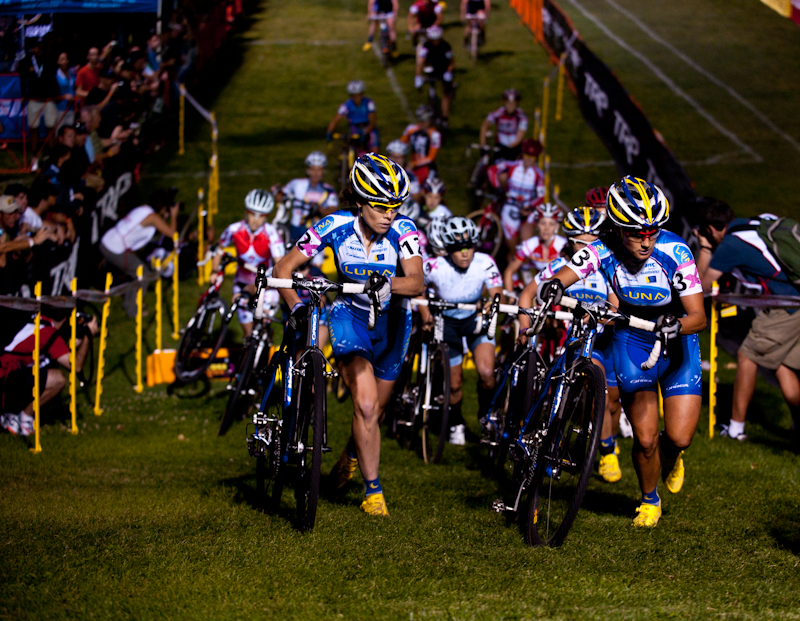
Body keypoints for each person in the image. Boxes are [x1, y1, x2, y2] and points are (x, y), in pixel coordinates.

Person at [532, 176, 706, 527]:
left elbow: (698, 316)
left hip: (677, 342)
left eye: (653, 232)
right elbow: (565, 274)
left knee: (679, 437)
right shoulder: (602, 249)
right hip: (632, 341)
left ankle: (672, 454)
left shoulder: (675, 251)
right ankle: (649, 500)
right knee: (644, 440)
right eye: (635, 233)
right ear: (617, 228)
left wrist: (676, 325)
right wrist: (553, 286)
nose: (645, 241)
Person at [272, 153, 424, 517]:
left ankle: (352, 455)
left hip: (394, 323)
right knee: (367, 403)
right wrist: (296, 307)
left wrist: (388, 283)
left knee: (377, 409)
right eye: (381, 206)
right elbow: (283, 267)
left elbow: (417, 281)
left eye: (395, 206)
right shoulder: (334, 225)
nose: (390, 213)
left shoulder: (406, 232)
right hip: (349, 317)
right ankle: (374, 492)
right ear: (358, 201)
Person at [517, 206, 624, 482]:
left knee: (608, 401)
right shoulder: (557, 267)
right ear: (570, 241)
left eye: (592, 243)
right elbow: (528, 294)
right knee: (558, 397)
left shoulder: (608, 267)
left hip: (600, 338)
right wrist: (525, 327)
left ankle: (608, 448)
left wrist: (601, 319)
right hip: (568, 340)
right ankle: (554, 446)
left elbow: (616, 306)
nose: (585, 248)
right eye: (580, 242)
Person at [695, 201, 800, 444]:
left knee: (747, 357)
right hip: (794, 302)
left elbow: (701, 287)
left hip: (786, 307)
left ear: (711, 228)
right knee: (782, 364)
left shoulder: (730, 245)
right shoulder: (757, 222)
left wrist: (704, 247)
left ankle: (735, 429)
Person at [420, 216, 503, 445]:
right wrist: (426, 315)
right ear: (448, 249)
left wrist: (492, 300)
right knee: (454, 383)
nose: (465, 253)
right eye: (458, 249)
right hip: (447, 323)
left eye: (469, 247)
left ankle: (486, 415)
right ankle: (456, 422)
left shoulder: (485, 262)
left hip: (474, 319)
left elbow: (497, 291)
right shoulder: (434, 266)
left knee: (487, 373)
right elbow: (417, 288)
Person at [0, 304, 97, 436]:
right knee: (58, 379)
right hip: (5, 377)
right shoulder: (48, 333)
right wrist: (87, 335)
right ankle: (24, 419)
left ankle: (10, 412)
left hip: (8, 374)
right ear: (65, 319)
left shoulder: (34, 322)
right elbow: (76, 366)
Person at [211, 190, 285, 339]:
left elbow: (280, 266)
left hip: (265, 288)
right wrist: (214, 271)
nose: (255, 220)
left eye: (261, 216)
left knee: (262, 331)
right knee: (248, 334)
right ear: (246, 212)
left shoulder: (272, 234)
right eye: (252, 214)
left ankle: (265, 344)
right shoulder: (234, 229)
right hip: (242, 285)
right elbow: (219, 249)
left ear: (267, 216)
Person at [99, 188, 179, 317]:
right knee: (142, 274)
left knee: (137, 273)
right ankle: (132, 309)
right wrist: (174, 215)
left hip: (109, 240)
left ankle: (132, 302)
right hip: (115, 248)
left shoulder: (145, 209)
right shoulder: (152, 217)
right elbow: (172, 234)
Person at [490, 138, 546, 251]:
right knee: (513, 247)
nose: (529, 159)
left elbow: (541, 196)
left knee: (526, 243)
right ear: (522, 154)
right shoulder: (511, 165)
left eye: (532, 156)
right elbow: (492, 170)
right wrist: (497, 187)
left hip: (526, 209)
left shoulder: (538, 174)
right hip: (510, 206)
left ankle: (525, 266)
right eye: (527, 155)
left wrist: (529, 206)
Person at [275, 151, 339, 244]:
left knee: (316, 257)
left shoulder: (329, 190)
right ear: (308, 170)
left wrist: (320, 210)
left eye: (319, 169)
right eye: (313, 169)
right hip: (295, 229)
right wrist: (279, 194)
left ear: (323, 170)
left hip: (317, 232)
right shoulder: (296, 183)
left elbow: (334, 211)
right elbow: (280, 196)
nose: (316, 173)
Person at [503, 202, 566, 292]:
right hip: (539, 288)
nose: (546, 228)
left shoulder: (563, 246)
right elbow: (509, 272)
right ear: (537, 225)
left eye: (551, 224)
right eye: (543, 223)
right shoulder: (529, 245)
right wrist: (510, 295)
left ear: (557, 227)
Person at [414, 25, 454, 128]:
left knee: (445, 92)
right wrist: (418, 76)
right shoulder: (426, 46)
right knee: (431, 91)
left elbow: (451, 62)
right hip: (431, 70)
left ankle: (445, 117)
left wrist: (448, 72)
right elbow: (420, 62)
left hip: (443, 70)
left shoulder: (446, 46)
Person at [326, 80, 379, 152]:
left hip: (368, 128)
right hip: (355, 129)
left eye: (358, 95)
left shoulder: (369, 103)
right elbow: (336, 119)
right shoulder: (346, 105)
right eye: (353, 95)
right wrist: (330, 131)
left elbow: (372, 122)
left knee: (374, 149)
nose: (356, 98)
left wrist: (366, 132)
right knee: (351, 149)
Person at [480, 89, 528, 163]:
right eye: (508, 103)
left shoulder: (521, 115)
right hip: (500, 147)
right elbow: (484, 126)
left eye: (513, 104)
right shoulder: (499, 112)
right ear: (505, 103)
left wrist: (512, 146)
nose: (510, 106)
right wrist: (483, 146)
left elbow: (520, 135)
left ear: (517, 104)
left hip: (514, 149)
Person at [400, 104, 442, 184]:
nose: (423, 123)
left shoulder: (434, 135)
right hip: (412, 167)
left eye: (425, 120)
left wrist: (414, 163)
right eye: (421, 120)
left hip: (427, 168)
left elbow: (431, 157)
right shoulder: (411, 129)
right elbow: (400, 144)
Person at [54, 51, 76, 129]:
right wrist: (63, 97)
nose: (64, 62)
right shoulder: (55, 76)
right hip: (60, 109)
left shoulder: (72, 74)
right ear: (58, 61)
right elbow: (53, 95)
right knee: (60, 131)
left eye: (65, 59)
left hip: (71, 108)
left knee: (70, 131)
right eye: (62, 59)